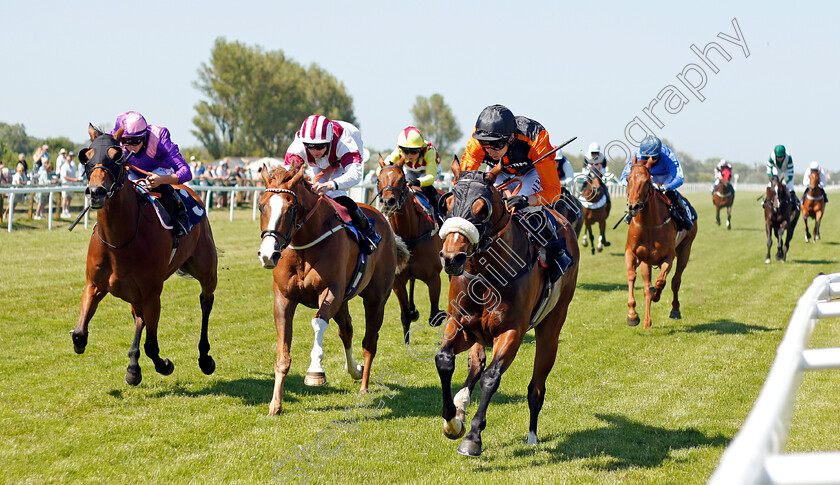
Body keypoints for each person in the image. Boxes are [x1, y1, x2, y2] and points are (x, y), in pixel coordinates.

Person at [459, 104, 571, 280]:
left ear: (511, 138)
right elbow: (463, 181)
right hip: (498, 171)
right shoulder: (478, 137)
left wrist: (527, 200)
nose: (489, 150)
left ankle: (554, 251)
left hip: (531, 173)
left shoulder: (536, 138)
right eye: (486, 145)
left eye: (496, 145)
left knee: (521, 210)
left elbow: (554, 191)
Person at [284, 114, 380, 254]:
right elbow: (287, 177)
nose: (314, 151)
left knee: (335, 194)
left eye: (319, 147)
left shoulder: (345, 142)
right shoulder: (298, 145)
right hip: (319, 163)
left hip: (341, 161)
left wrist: (331, 185)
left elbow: (355, 175)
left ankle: (369, 232)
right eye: (310, 147)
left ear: (329, 142)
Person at [110, 111, 192, 237]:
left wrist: (162, 180)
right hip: (131, 171)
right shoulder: (114, 138)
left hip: (159, 171)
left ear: (144, 136)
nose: (131, 147)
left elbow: (186, 173)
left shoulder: (160, 140)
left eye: (136, 141)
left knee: (154, 185)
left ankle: (180, 215)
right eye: (126, 141)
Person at [619, 135, 694, 230]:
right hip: (646, 177)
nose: (649, 160)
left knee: (671, 194)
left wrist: (665, 187)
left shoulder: (667, 155)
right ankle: (631, 213)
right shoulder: (638, 155)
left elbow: (679, 177)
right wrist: (634, 186)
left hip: (666, 176)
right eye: (646, 157)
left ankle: (684, 216)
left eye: (653, 157)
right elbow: (623, 177)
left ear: (659, 154)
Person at [382, 126, 441, 211]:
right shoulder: (398, 151)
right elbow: (381, 169)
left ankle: (439, 211)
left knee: (424, 187)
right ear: (401, 149)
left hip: (431, 172)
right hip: (411, 170)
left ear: (420, 149)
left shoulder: (429, 152)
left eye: (414, 151)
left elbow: (430, 178)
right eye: (405, 151)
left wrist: (418, 182)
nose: (409, 155)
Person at [765, 145, 799, 211]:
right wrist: (772, 179)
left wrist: (785, 181)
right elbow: (769, 169)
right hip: (776, 169)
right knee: (770, 186)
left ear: (784, 155)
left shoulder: (788, 157)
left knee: (790, 187)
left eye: (781, 157)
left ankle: (795, 204)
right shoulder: (771, 157)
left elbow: (790, 173)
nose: (780, 158)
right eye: (778, 157)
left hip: (786, 170)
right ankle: (766, 201)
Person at [582, 141, 613, 206]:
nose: (595, 154)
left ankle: (608, 198)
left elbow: (604, 168)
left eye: (596, 153)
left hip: (599, 170)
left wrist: (601, 176)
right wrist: (587, 176)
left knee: (603, 185)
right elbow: (584, 169)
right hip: (589, 169)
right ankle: (581, 193)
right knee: (585, 182)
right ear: (590, 152)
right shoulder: (586, 157)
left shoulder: (602, 157)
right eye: (593, 153)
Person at [60, 151, 81, 218]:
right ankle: (63, 211)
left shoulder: (72, 166)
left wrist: (75, 180)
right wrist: (74, 180)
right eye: (68, 159)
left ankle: (67, 211)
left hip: (71, 184)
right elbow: (65, 176)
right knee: (65, 198)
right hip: (65, 184)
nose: (70, 160)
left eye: (70, 159)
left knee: (69, 198)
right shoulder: (64, 166)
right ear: (66, 159)